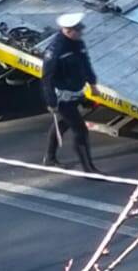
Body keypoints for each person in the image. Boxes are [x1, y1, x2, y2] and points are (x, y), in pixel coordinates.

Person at [41, 12, 100, 172]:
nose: (81, 32)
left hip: (76, 91)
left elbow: (85, 63)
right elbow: (47, 78)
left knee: (62, 124)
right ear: (67, 31)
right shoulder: (55, 50)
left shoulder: (77, 43)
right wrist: (51, 102)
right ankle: (89, 169)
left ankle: (49, 158)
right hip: (63, 97)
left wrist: (93, 84)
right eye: (78, 30)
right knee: (80, 130)